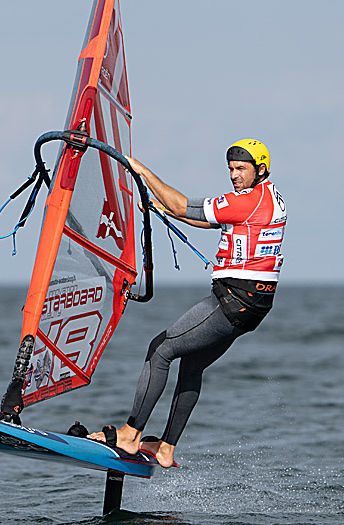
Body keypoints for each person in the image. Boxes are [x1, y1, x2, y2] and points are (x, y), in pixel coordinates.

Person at [88, 139, 286, 467]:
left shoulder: (248, 201)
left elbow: (183, 205)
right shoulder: (268, 197)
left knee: (161, 350)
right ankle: (166, 448)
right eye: (231, 170)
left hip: (232, 299)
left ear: (260, 170)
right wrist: (159, 209)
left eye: (241, 169)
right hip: (255, 305)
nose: (234, 176)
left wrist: (143, 173)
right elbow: (205, 219)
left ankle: (131, 432)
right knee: (192, 364)